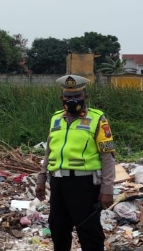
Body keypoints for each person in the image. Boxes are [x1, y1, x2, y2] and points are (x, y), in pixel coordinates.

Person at [35, 75, 116, 251]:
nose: (72, 100)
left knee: (88, 230)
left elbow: (107, 158)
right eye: (68, 96)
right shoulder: (56, 119)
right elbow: (49, 152)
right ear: (61, 98)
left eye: (77, 96)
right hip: (58, 183)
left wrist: (107, 190)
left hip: (84, 184)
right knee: (58, 229)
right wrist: (41, 179)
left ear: (85, 96)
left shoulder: (98, 119)